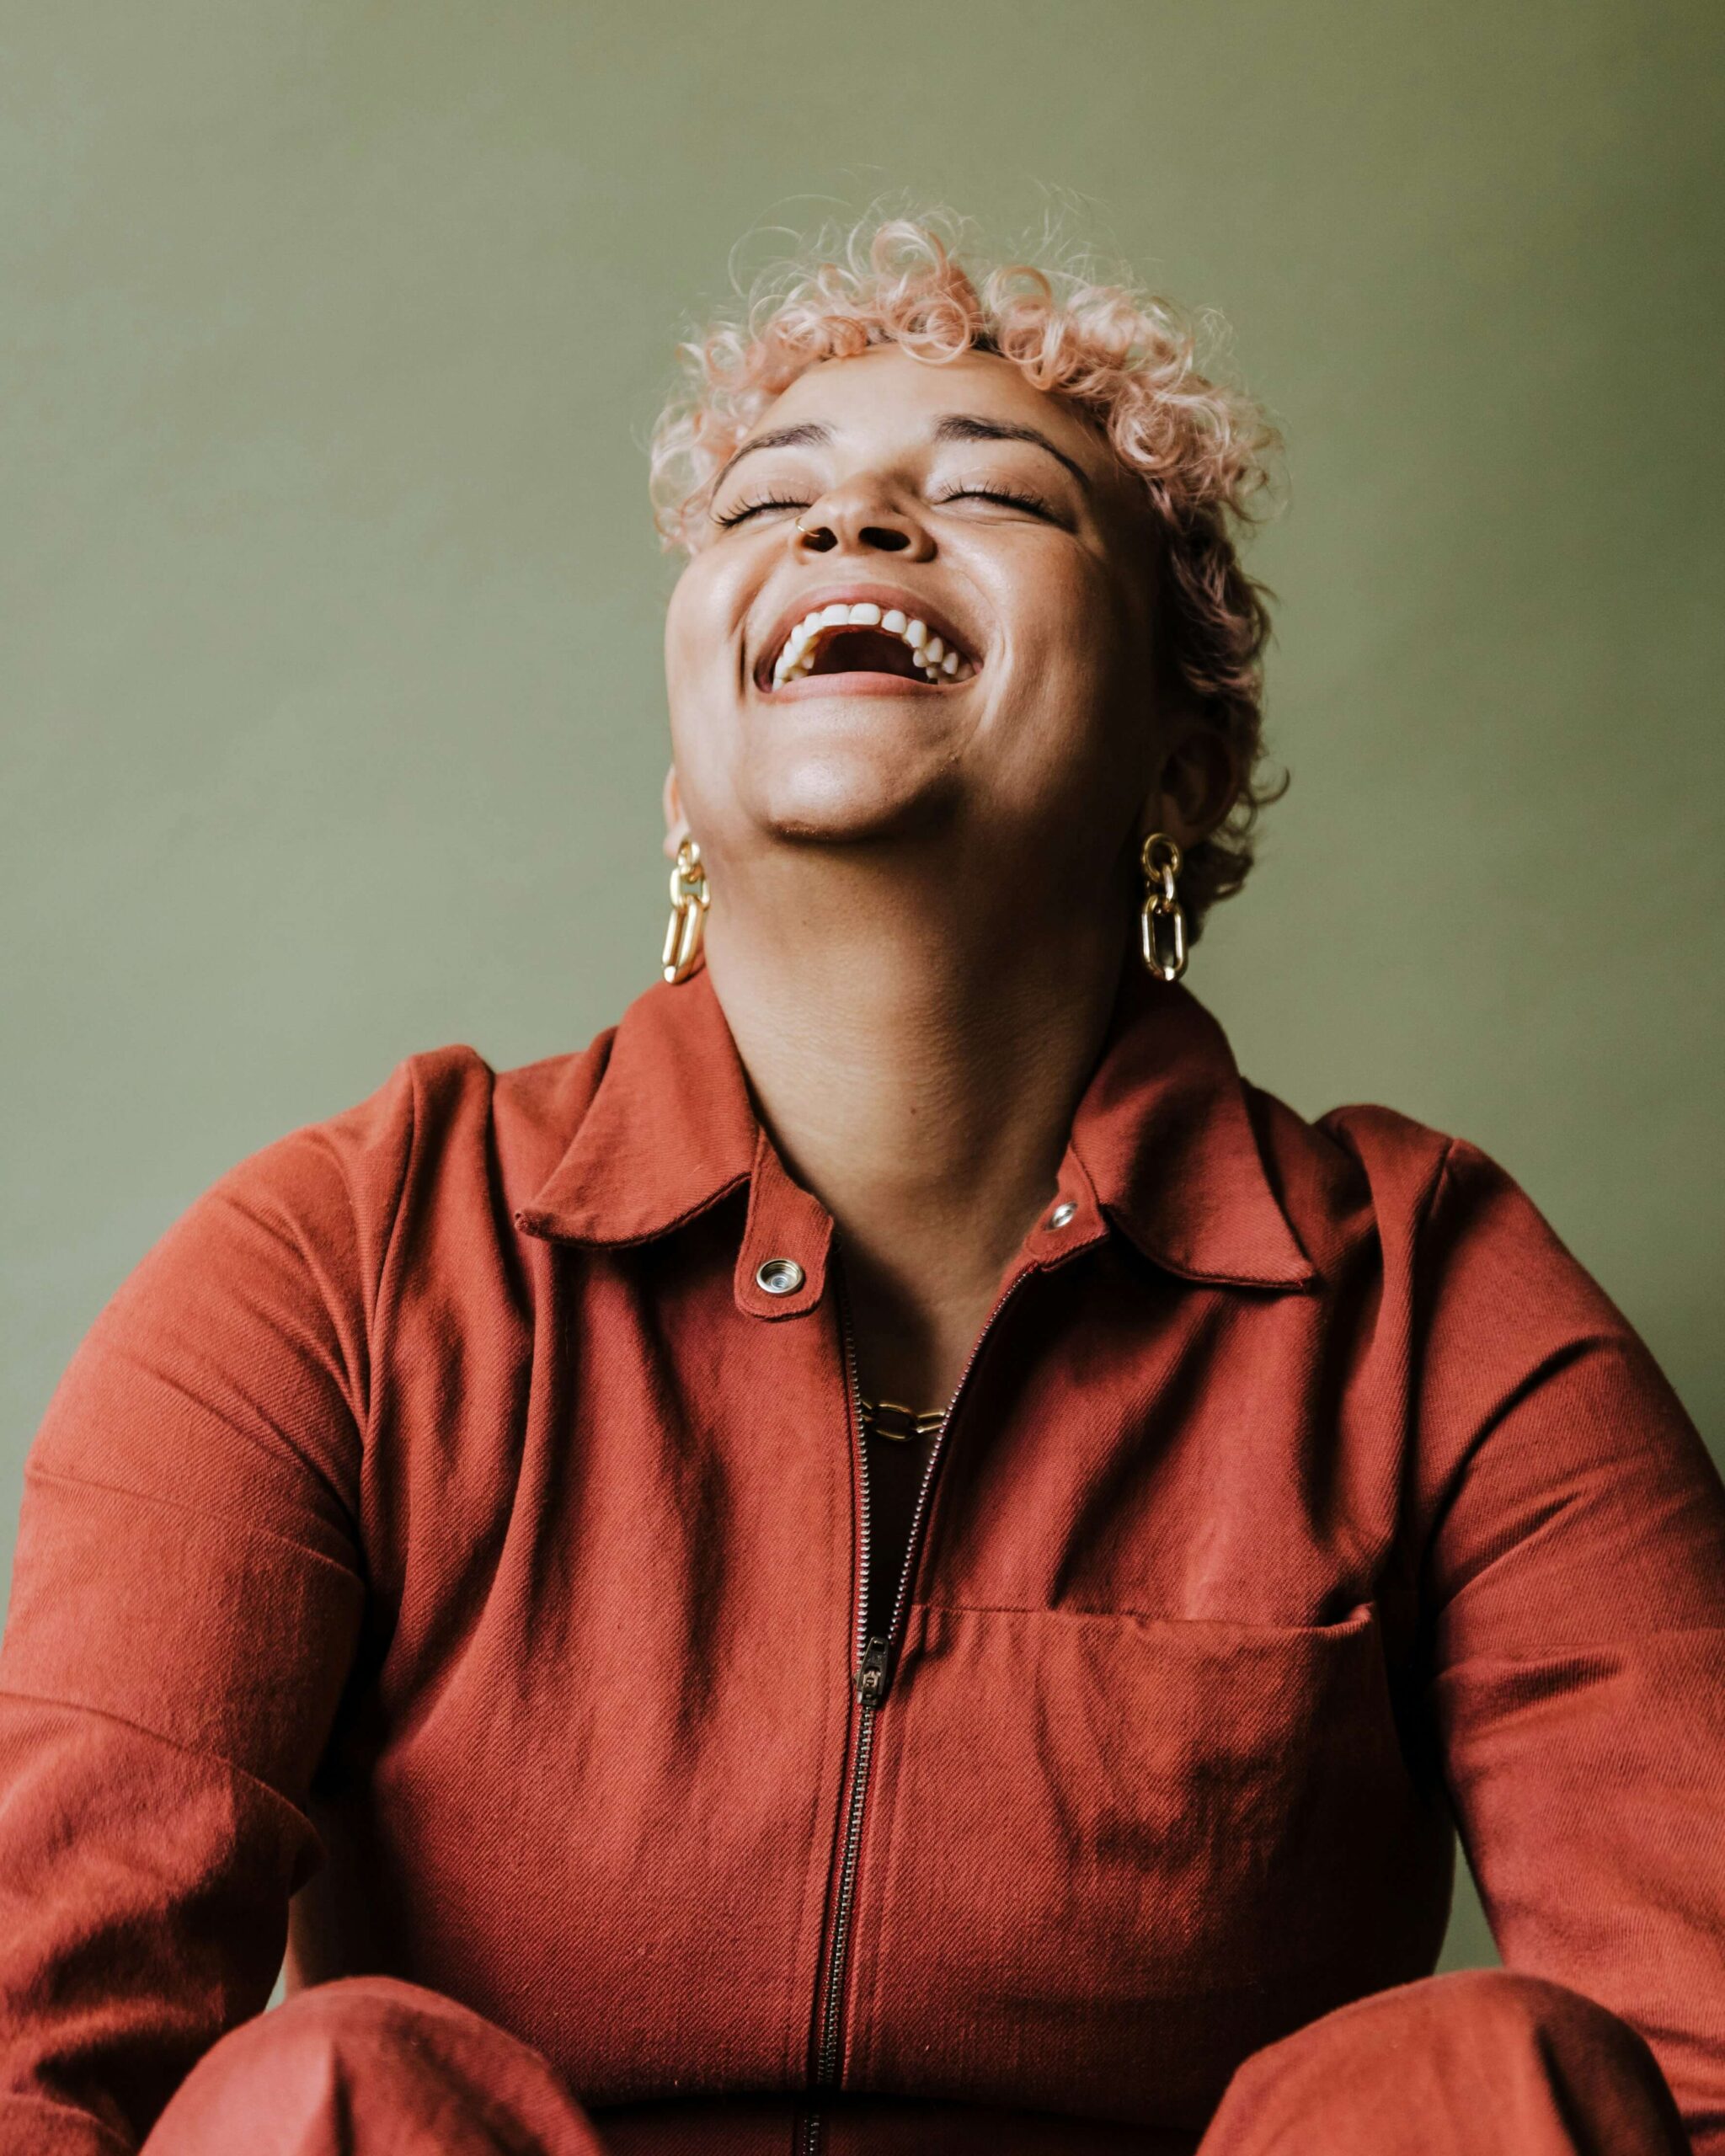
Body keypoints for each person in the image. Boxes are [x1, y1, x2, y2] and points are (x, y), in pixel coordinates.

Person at [1, 213, 1720, 2156]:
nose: (849, 530)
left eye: (994, 493)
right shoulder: (337, 1263)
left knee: (1480, 2079)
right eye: (772, 504)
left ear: (1184, 759)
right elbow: (28, 2047)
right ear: (681, 779)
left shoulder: (1431, 1304)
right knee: (314, 2092)